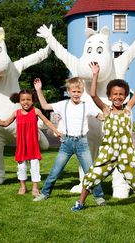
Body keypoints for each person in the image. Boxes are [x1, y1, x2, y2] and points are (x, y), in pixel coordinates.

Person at [71, 56, 135, 215]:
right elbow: (93, 94)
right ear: (109, 96)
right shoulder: (106, 110)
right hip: (108, 152)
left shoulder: (128, 109)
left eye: (121, 94)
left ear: (125, 96)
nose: (118, 97)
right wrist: (95, 74)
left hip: (126, 152)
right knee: (92, 175)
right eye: (114, 94)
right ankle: (80, 203)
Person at [32, 77, 106, 206]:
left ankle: (99, 196)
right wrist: (38, 90)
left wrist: (111, 113)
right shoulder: (62, 104)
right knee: (56, 171)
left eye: (78, 92)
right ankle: (44, 193)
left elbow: (101, 117)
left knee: (90, 172)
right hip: (66, 143)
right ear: (68, 91)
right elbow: (44, 106)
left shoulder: (87, 106)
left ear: (82, 92)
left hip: (82, 143)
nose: (76, 94)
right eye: (73, 91)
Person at [0, 90, 61, 196]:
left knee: (35, 167)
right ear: (19, 101)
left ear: (33, 100)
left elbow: (47, 122)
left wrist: (56, 131)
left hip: (33, 145)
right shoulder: (16, 113)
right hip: (21, 146)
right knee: (22, 167)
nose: (26, 102)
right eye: (23, 100)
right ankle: (23, 187)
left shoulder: (36, 111)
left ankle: (35, 188)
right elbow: (5, 123)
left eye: (28, 99)